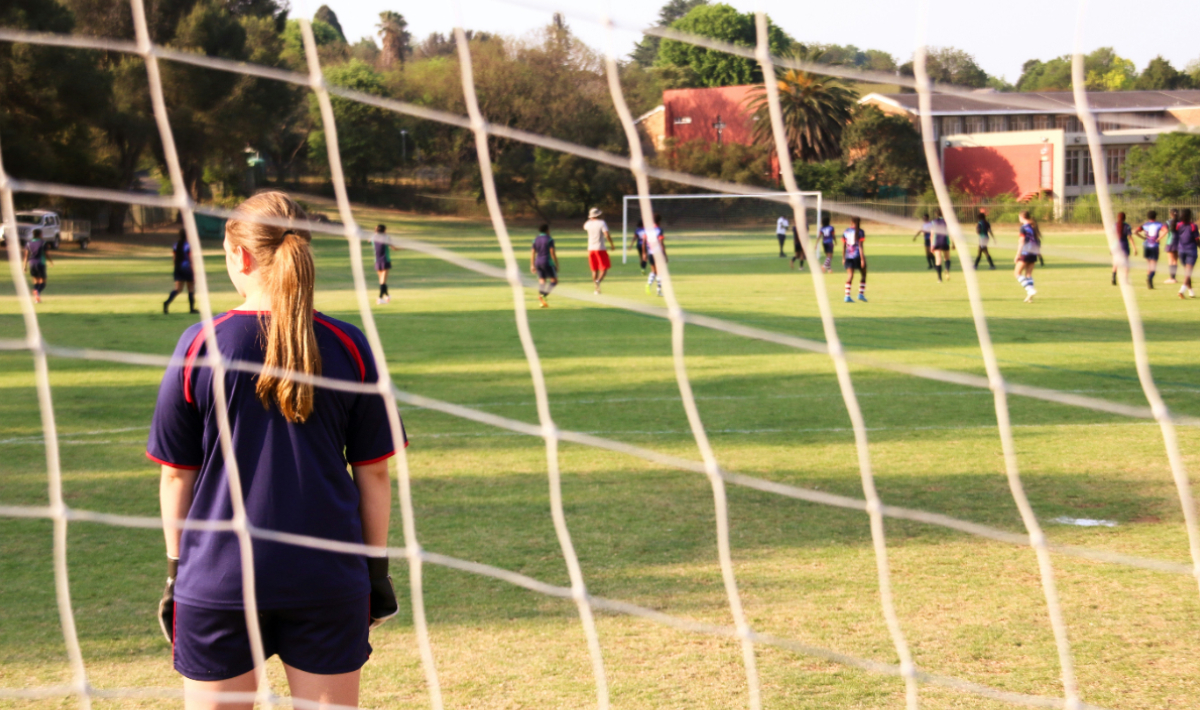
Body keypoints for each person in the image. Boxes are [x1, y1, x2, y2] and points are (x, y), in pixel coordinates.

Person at [148, 192, 400, 710]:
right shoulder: (349, 344)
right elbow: (373, 474)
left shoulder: (201, 345)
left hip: (218, 581)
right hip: (328, 578)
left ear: (240, 257)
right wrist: (376, 575)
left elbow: (177, 476)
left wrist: (175, 574)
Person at [164, 229, 197, 314]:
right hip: (187, 268)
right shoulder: (188, 246)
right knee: (190, 289)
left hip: (178, 269)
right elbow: (190, 259)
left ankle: (167, 303)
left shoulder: (176, 245)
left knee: (178, 289)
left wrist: (176, 268)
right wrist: (193, 271)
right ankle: (191, 309)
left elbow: (174, 258)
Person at [583, 207, 613, 294]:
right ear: (599, 215)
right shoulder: (602, 223)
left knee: (594, 269)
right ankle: (598, 281)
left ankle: (596, 288)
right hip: (600, 248)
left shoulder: (588, 224)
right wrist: (611, 244)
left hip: (590, 249)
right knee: (604, 268)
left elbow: (585, 227)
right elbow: (606, 234)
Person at [1135, 210, 1166, 289]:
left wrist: (1143, 238)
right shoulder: (1159, 224)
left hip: (1146, 245)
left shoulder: (1145, 225)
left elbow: (1136, 232)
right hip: (1154, 246)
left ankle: (1149, 281)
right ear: (1155, 216)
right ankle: (1150, 278)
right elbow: (1165, 230)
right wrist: (1159, 238)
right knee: (1154, 265)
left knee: (1149, 264)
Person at [1014, 210, 1041, 303]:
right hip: (1033, 252)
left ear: (1021, 217)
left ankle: (1030, 290)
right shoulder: (1032, 227)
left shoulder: (1023, 228)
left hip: (1025, 252)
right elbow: (1037, 241)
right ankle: (1030, 296)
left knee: (1017, 273)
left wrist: (1018, 255)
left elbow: (1021, 242)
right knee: (1028, 274)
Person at [530, 223, 558, 308]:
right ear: (547, 230)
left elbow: (533, 253)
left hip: (538, 262)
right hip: (547, 262)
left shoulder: (535, 239)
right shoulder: (549, 239)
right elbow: (552, 252)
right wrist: (556, 263)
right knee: (554, 281)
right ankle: (544, 295)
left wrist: (532, 265)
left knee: (542, 281)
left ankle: (542, 302)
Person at [23, 228, 53, 304]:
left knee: (36, 281)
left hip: (32, 264)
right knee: (43, 282)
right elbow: (46, 254)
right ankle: (37, 291)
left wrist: (24, 266)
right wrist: (50, 261)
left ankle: (37, 299)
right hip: (40, 263)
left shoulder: (29, 243)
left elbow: (26, 256)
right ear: (40, 234)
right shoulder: (43, 242)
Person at [842, 217, 867, 303]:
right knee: (863, 274)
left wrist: (843, 257)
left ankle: (847, 296)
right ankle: (861, 294)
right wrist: (862, 259)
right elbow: (860, 246)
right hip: (857, 256)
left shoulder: (846, 231)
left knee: (850, 275)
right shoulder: (861, 232)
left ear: (851, 222)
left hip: (848, 256)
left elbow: (844, 245)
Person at [1175, 208, 1198, 299]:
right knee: (1188, 272)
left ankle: (1191, 292)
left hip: (1181, 250)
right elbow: (1197, 239)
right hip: (1191, 250)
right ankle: (1181, 290)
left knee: (1187, 272)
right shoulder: (1193, 225)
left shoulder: (1178, 225)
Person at [644, 214, 667, 297]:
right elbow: (661, 243)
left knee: (654, 271)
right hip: (658, 253)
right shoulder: (659, 230)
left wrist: (644, 253)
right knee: (660, 272)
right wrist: (665, 254)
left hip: (650, 253)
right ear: (659, 221)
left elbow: (644, 241)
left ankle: (648, 284)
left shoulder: (648, 230)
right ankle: (659, 291)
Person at [1111, 211, 1136, 286]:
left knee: (1115, 262)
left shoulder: (1114, 225)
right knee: (1126, 263)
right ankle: (1125, 279)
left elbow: (1113, 235)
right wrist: (1134, 248)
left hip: (1116, 245)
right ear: (1125, 218)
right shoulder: (1127, 226)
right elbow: (1130, 237)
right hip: (1124, 245)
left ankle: (1113, 277)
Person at [931, 210, 953, 282]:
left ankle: (939, 279)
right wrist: (953, 243)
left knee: (938, 259)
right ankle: (947, 269)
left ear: (936, 214)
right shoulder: (947, 221)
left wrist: (931, 245)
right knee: (947, 258)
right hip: (945, 241)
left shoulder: (934, 222)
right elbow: (950, 232)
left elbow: (932, 234)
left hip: (937, 242)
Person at [373, 224, 392, 305]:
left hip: (377, 261)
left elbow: (369, 240)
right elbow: (393, 247)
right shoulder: (386, 237)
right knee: (383, 282)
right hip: (385, 260)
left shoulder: (374, 237)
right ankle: (380, 298)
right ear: (384, 230)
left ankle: (387, 296)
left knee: (382, 281)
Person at [1165, 208, 1181, 284]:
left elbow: (1165, 231)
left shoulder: (1168, 222)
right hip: (1179, 242)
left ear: (1170, 214)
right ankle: (1174, 277)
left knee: (1170, 260)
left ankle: (1171, 278)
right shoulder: (1181, 222)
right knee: (1175, 260)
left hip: (1170, 242)